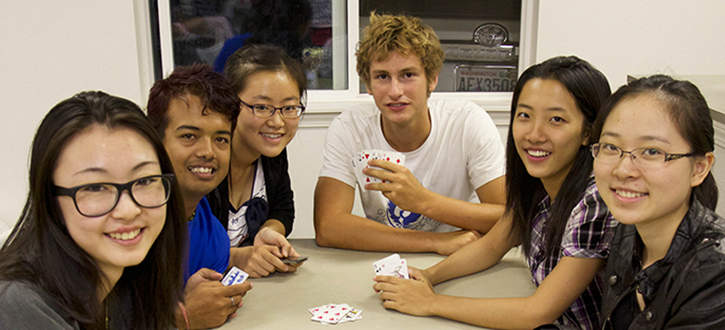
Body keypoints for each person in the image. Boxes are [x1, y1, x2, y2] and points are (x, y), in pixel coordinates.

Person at [373, 56, 618, 330]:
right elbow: (491, 247)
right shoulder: (538, 184)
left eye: (556, 119)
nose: (535, 134)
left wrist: (431, 302)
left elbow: (538, 312)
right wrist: (428, 276)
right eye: (524, 115)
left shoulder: (595, 200)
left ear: (588, 132)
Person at [0, 91, 186, 329]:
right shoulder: (15, 307)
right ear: (50, 199)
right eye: (95, 187)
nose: (128, 209)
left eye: (145, 181)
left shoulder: (129, 278)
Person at [590, 75, 725, 329]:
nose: (624, 170)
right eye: (611, 147)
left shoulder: (719, 272)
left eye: (652, 152)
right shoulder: (630, 231)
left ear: (699, 168)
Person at [313, 12, 506, 255]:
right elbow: (328, 227)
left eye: (408, 75)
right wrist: (434, 243)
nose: (395, 91)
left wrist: (423, 201)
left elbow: (510, 217)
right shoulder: (350, 127)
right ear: (368, 85)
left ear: (433, 79)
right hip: (390, 257)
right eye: (382, 76)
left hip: (461, 258)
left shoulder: (468, 122)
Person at [148, 63, 293, 329]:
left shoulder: (213, 236)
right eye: (189, 136)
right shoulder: (128, 223)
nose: (208, 152)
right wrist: (178, 318)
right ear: (154, 143)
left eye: (221, 139)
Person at [205, 44, 304, 265]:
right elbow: (178, 247)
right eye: (261, 107)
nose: (277, 122)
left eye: (289, 108)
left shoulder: (270, 151)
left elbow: (283, 210)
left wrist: (268, 231)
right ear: (230, 104)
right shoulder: (205, 158)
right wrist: (234, 259)